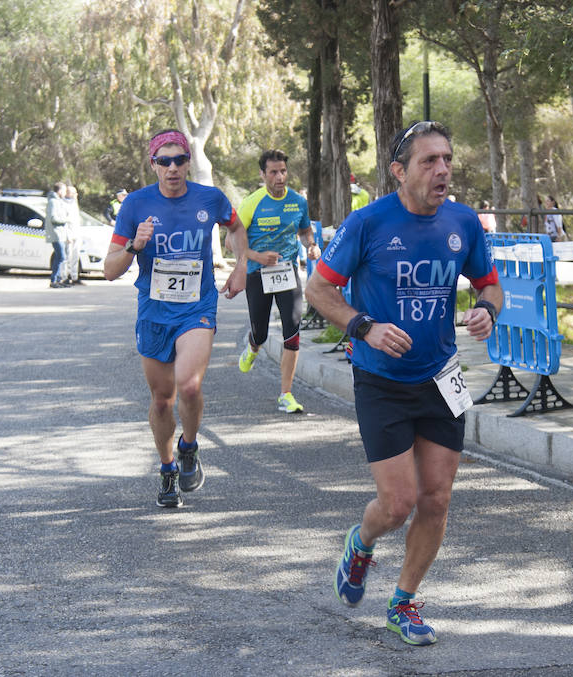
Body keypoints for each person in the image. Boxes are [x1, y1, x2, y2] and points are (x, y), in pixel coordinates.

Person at [305, 120, 502, 646]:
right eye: (428, 161)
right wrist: (362, 326)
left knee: (436, 499)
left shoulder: (463, 222)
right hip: (382, 382)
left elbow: (489, 284)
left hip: (440, 378)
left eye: (447, 160)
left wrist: (485, 310)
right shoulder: (368, 223)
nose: (442, 170)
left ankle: (404, 601)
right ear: (399, 171)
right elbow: (319, 288)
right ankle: (362, 541)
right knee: (398, 504)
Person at [104, 129, 248, 509]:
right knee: (162, 399)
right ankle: (168, 468)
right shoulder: (135, 205)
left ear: (187, 162)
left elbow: (235, 226)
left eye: (179, 160)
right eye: (164, 161)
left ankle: (189, 446)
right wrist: (135, 245)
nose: (172, 168)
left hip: (196, 307)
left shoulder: (210, 198)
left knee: (188, 385)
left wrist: (241, 267)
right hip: (154, 311)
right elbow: (109, 270)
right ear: (153, 165)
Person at [236, 149, 319, 413]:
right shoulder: (251, 202)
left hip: (287, 273)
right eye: (273, 172)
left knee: (292, 332)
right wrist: (258, 256)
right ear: (263, 174)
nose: (279, 176)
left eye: (283, 171)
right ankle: (252, 345)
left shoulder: (297, 201)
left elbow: (305, 230)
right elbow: (232, 241)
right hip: (257, 274)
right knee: (260, 332)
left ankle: (286, 394)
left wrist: (311, 245)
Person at [44, 182, 69, 288]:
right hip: (56, 234)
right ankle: (53, 280)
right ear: (59, 191)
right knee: (61, 256)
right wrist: (65, 220)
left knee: (60, 256)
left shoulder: (59, 202)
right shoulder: (53, 202)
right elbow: (53, 218)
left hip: (61, 234)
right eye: (64, 190)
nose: (65, 193)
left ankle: (58, 280)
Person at [64, 184, 83, 285]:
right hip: (69, 233)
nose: (75, 194)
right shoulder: (64, 203)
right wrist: (67, 235)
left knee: (76, 256)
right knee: (68, 256)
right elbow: (65, 221)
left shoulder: (74, 203)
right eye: (73, 192)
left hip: (77, 232)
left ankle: (75, 276)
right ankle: (66, 276)